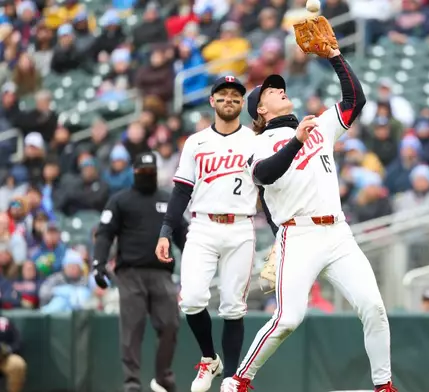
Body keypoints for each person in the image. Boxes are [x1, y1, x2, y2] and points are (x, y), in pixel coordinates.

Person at [225, 49, 397, 392]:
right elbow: (265, 173)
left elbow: (355, 100)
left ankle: (383, 386)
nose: (279, 90)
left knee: (374, 307)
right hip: (298, 235)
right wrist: (297, 141)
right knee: (288, 319)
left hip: (338, 232)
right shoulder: (259, 143)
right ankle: (239, 380)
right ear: (260, 108)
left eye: (279, 87)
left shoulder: (318, 125)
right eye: (271, 91)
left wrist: (334, 55)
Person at [155, 76, 258, 392]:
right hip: (202, 225)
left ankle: (230, 380)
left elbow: (269, 188)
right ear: (212, 101)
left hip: (241, 226)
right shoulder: (195, 142)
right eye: (223, 95)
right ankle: (208, 358)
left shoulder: (255, 140)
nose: (229, 99)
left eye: (235, 96)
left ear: (242, 104)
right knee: (192, 299)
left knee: (233, 307)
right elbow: (181, 191)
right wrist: (165, 231)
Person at [92, 152, 187, 392]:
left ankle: (163, 378)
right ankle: (132, 384)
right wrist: (98, 263)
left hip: (162, 273)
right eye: (142, 172)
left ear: (156, 172)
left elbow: (185, 236)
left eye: (150, 171)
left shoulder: (168, 200)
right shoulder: (120, 200)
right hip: (130, 273)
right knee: (132, 330)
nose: (147, 175)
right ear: (134, 172)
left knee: (170, 325)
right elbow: (104, 233)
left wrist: (198, 264)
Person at [0, 316, 26, 392]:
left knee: (17, 364)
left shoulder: (4, 322)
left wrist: (7, 349)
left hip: (4, 357)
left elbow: (18, 342)